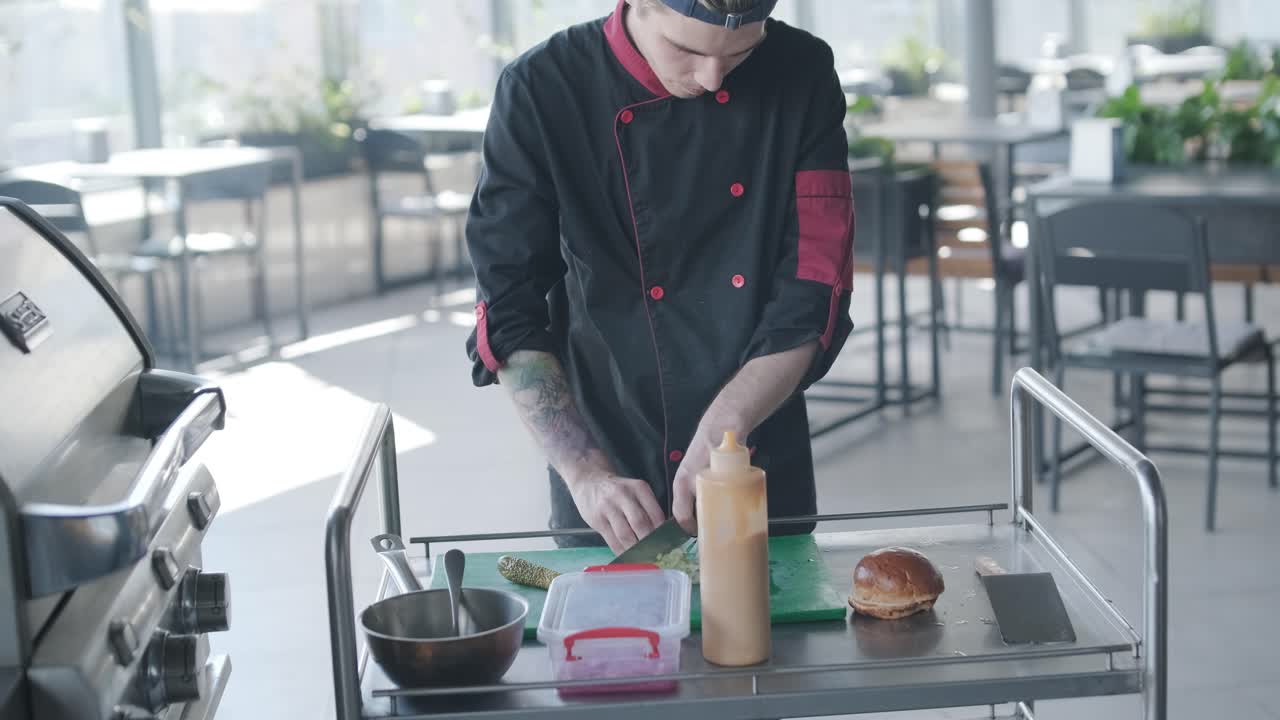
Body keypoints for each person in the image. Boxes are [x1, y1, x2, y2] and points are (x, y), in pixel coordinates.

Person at [465, 0, 855, 553]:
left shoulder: (803, 71)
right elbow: (508, 304)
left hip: (756, 449)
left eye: (741, 51)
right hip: (607, 460)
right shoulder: (541, 88)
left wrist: (728, 427)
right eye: (687, 50)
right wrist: (585, 472)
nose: (712, 76)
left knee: (772, 634)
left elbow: (816, 285)